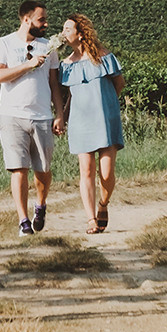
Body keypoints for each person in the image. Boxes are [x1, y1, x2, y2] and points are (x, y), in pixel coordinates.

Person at [0, 0, 67, 236]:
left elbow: (54, 84)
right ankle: (23, 222)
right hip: (11, 115)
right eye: (41, 19)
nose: (45, 23)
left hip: (42, 116)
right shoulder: (3, 44)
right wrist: (28, 65)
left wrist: (60, 114)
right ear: (26, 19)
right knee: (18, 168)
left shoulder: (49, 47)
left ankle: (40, 205)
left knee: (43, 170)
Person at [57, 13, 124, 233]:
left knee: (106, 174)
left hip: (105, 120)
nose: (63, 33)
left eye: (68, 29)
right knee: (86, 171)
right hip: (80, 122)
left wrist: (106, 105)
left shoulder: (103, 57)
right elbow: (70, 97)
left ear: (80, 32)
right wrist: (63, 118)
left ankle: (103, 204)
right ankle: (90, 219)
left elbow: (119, 83)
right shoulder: (65, 65)